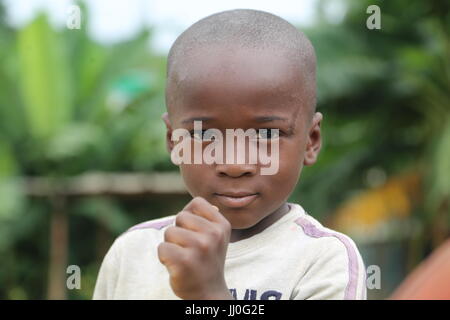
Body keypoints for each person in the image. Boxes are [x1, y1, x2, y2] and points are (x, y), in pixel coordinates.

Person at [93, 9, 367, 300]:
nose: (235, 165)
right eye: (204, 135)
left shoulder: (322, 260)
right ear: (174, 141)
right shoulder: (133, 253)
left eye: (266, 135)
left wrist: (209, 295)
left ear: (310, 141)